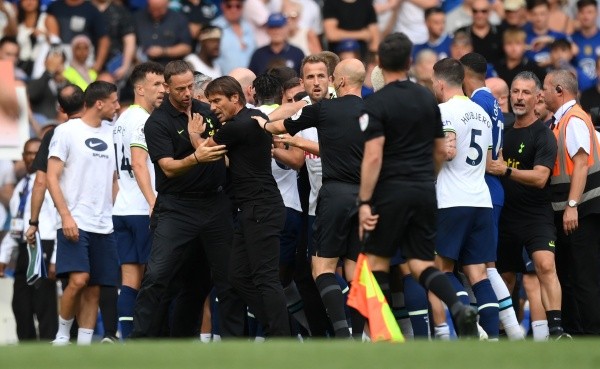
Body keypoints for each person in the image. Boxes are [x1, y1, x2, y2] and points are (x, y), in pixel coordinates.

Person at [357, 33, 478, 339]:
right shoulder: (426, 97)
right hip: (424, 189)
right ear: (410, 62)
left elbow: (373, 156)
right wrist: (428, 177)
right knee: (422, 263)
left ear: (380, 65)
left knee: (378, 261)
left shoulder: (377, 102)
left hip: (391, 191)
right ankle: (458, 306)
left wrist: (364, 202)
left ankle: (381, 333)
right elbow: (440, 149)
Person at [256, 57, 369, 339]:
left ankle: (343, 336)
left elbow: (276, 127)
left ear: (336, 80)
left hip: (333, 196)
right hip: (365, 196)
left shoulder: (324, 111)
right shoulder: (372, 112)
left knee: (321, 268)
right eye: (310, 77)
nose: (317, 82)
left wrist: (258, 123)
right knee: (355, 272)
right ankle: (357, 336)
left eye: (323, 76)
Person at [131, 60, 245, 339]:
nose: (186, 93)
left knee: (227, 278)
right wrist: (196, 156)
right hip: (177, 207)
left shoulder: (208, 112)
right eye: (179, 88)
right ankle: (140, 341)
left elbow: (231, 138)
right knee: (158, 276)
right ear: (167, 87)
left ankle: (233, 345)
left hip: (215, 204)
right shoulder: (157, 122)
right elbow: (167, 166)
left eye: (190, 87)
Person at [191, 75, 290, 337]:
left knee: (265, 277)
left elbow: (205, 153)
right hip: (253, 208)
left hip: (260, 207)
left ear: (235, 98)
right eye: (210, 101)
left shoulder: (236, 127)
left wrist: (193, 134)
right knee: (237, 276)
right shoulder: (253, 116)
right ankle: (276, 327)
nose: (212, 107)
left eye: (216, 101)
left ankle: (281, 336)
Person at [487, 71, 566, 340]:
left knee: (545, 265)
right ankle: (504, 334)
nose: (520, 98)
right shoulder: (502, 133)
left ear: (538, 98)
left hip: (536, 216)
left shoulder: (544, 136)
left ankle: (554, 331)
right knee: (505, 276)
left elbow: (541, 177)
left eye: (526, 93)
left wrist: (505, 170)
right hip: (505, 216)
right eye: (516, 92)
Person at [430, 57, 500, 339]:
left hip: (452, 199)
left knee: (441, 270)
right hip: (480, 199)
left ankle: (476, 330)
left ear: (439, 82)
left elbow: (447, 150)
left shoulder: (444, 110)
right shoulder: (481, 112)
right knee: (478, 273)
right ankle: (493, 339)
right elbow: (488, 159)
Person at [47, 81, 120, 346]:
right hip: (74, 220)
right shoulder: (66, 131)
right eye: (114, 101)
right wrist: (65, 215)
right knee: (78, 281)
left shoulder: (112, 133)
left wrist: (115, 213)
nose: (117, 106)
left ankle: (84, 346)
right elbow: (52, 178)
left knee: (95, 288)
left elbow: (113, 180)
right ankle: (63, 335)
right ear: (99, 103)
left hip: (104, 224)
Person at [460, 52, 524, 340]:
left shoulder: (476, 103)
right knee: (482, 265)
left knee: (484, 265)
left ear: (463, 73)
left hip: (482, 185)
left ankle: (507, 329)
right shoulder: (492, 103)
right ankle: (507, 330)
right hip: (489, 187)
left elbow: (483, 155)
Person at [543, 69, 600, 335]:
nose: (542, 93)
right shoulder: (563, 120)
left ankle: (591, 336)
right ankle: (576, 332)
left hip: (582, 211)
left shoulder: (574, 119)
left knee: (584, 279)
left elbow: (579, 164)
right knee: (572, 276)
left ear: (559, 91)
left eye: (545, 88)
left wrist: (572, 206)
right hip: (573, 210)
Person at [112, 61, 165, 340]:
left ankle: (127, 336)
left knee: (130, 279)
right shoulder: (144, 120)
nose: (162, 90)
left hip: (122, 208)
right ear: (140, 88)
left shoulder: (120, 121)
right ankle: (147, 336)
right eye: (157, 84)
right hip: (141, 209)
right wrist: (153, 201)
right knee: (152, 278)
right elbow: (138, 162)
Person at [0, 138, 58, 341]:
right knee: (20, 304)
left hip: (45, 244)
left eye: (36, 153)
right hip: (24, 247)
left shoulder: (49, 183)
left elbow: (58, 220)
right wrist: (3, 257)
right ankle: (27, 347)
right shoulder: (20, 188)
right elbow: (16, 223)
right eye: (28, 153)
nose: (32, 157)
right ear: (22, 157)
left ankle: (50, 346)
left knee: (44, 303)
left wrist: (54, 259)